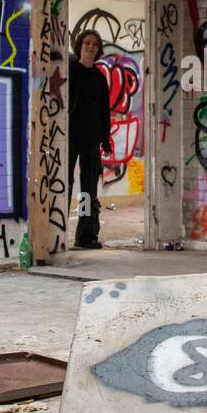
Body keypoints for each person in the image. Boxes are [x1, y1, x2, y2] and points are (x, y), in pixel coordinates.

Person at [68, 29, 112, 249]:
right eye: (87, 43)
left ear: (98, 49)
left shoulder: (99, 78)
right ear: (80, 45)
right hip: (68, 138)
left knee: (88, 190)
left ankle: (85, 235)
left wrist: (106, 140)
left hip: (91, 140)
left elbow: (105, 112)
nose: (91, 47)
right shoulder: (69, 70)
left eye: (95, 44)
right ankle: (54, 232)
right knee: (62, 185)